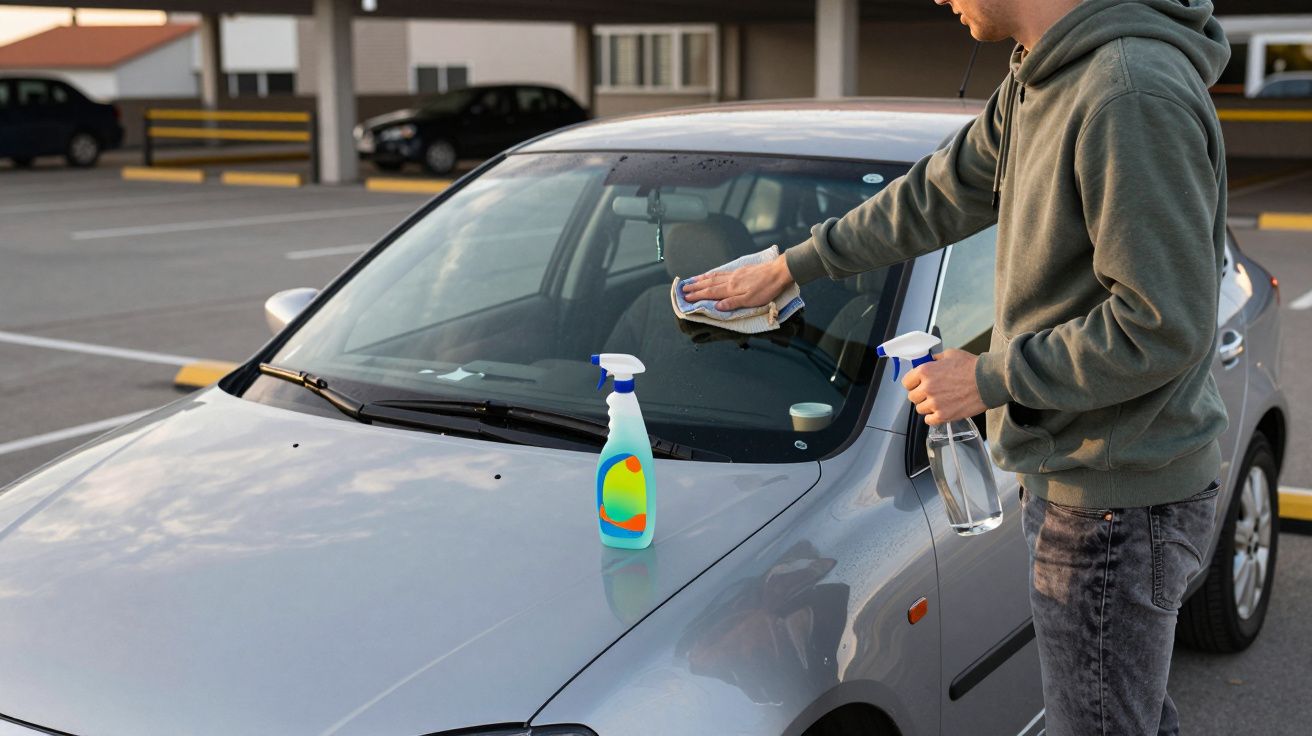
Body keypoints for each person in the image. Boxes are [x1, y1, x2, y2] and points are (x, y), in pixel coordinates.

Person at [681, 0, 1231, 733]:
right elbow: (939, 193)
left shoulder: (1126, 92)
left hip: (1116, 504)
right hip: (1089, 485)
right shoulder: (1044, 75)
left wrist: (988, 378)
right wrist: (794, 265)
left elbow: (1161, 326)